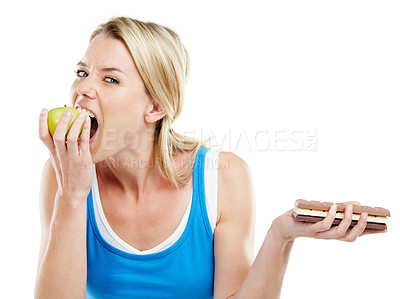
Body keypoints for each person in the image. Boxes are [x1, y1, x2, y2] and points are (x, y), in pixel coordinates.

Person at [35, 17, 385, 299]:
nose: (83, 89)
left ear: (155, 107)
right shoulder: (64, 177)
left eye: (110, 79)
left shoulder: (223, 177)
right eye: (82, 72)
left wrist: (281, 236)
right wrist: (72, 196)